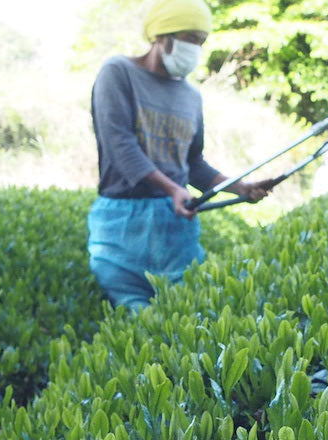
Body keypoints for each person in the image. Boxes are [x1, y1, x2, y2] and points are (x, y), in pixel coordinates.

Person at [88, 0, 274, 312]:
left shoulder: (190, 96)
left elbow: (193, 164)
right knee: (133, 311)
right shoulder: (118, 73)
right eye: (190, 39)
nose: (195, 50)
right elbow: (119, 144)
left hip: (174, 224)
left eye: (201, 42)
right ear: (162, 35)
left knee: (185, 314)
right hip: (123, 220)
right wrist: (172, 188)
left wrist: (239, 188)